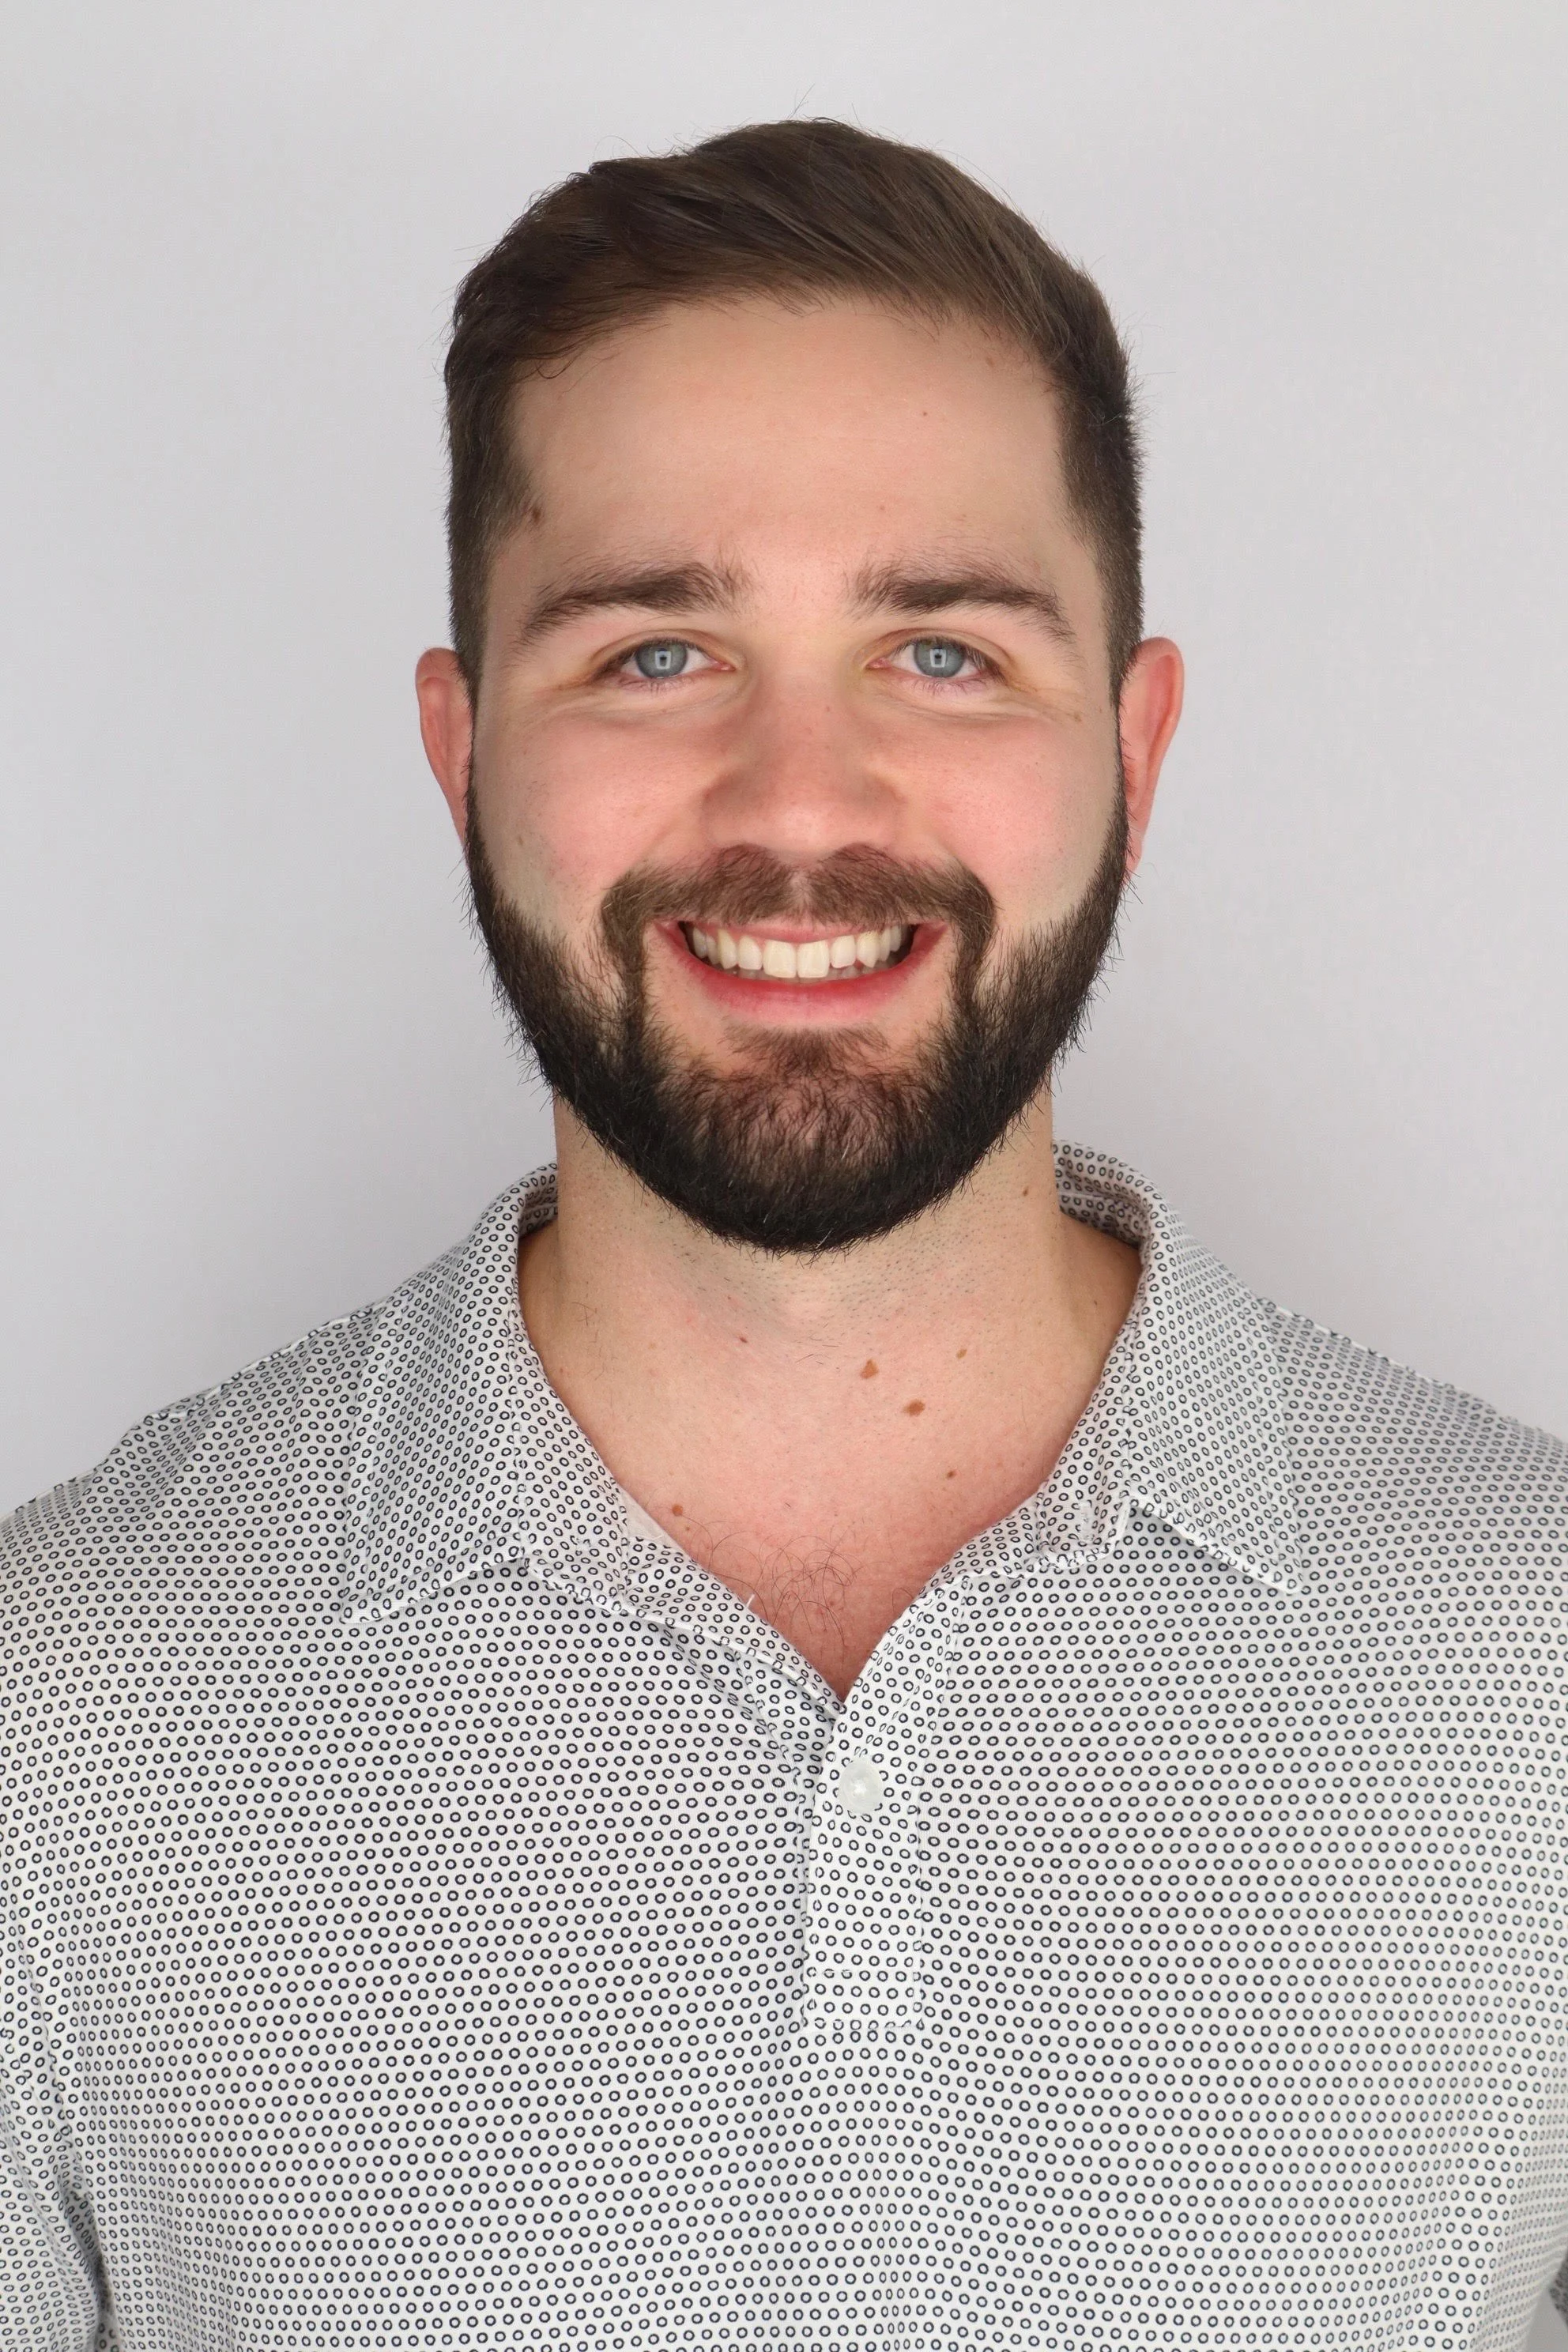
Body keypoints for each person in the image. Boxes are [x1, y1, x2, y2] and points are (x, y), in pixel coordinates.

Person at [2, 117, 1565, 2352]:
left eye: (942, 653)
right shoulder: (48, 1726)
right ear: (462, 751)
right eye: (654, 656)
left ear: (1134, 746)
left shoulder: (1547, 1680)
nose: (802, 803)